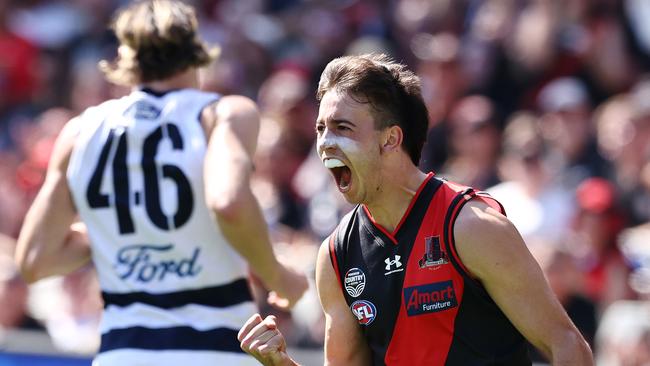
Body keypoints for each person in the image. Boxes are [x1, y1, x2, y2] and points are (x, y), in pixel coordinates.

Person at [238, 54, 593, 365]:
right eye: (321, 129)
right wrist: (279, 364)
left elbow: (567, 346)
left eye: (342, 128)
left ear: (391, 139)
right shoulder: (336, 255)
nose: (326, 143)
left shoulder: (470, 226)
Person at [14, 1, 307, 365]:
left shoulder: (79, 132)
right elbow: (228, 202)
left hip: (122, 354)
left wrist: (128, 235)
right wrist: (278, 276)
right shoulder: (223, 114)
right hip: (214, 352)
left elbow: (34, 260)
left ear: (125, 61)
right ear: (198, 53)